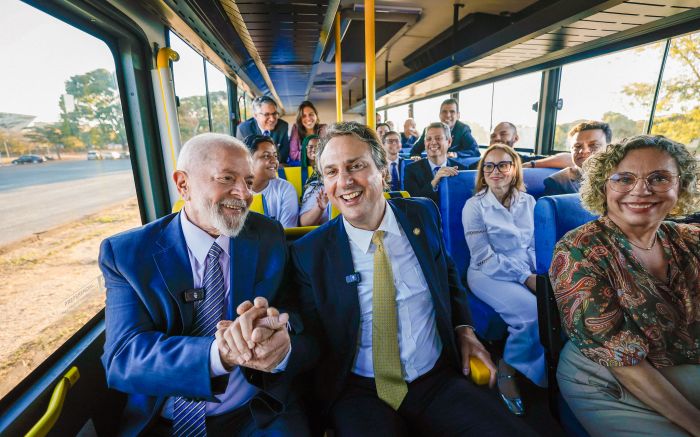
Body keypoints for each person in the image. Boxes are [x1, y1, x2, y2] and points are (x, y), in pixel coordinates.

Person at [289, 121, 537, 436]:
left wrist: (464, 330)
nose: (345, 181)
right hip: (359, 391)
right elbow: (309, 334)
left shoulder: (422, 215)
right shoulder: (309, 252)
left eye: (356, 166)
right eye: (332, 172)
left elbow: (447, 277)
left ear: (382, 169)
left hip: (435, 379)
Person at [99, 133, 311, 436]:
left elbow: (296, 313)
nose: (243, 193)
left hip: (255, 413)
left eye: (249, 182)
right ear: (183, 184)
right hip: (166, 421)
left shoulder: (267, 236)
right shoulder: (128, 255)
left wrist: (279, 333)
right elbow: (123, 359)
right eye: (227, 178)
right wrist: (219, 354)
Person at [550, 135, 700, 436]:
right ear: (603, 187)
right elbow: (622, 361)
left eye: (659, 178)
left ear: (680, 185)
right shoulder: (579, 250)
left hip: (680, 356)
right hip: (605, 375)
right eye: (624, 179)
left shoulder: (688, 239)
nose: (641, 190)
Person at [462, 143, 547, 416]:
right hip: (486, 273)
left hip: (524, 269)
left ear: (514, 169)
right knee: (532, 314)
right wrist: (525, 278)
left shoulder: (529, 202)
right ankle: (508, 369)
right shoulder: (474, 206)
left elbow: (534, 245)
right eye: (489, 165)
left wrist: (537, 273)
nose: (495, 171)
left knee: (557, 304)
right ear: (482, 172)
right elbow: (484, 257)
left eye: (502, 165)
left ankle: (551, 374)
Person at [404, 122, 467, 205]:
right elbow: (413, 204)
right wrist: (434, 182)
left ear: (449, 142)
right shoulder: (411, 170)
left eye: (438, 138)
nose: (433, 142)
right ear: (424, 143)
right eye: (429, 139)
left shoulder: (462, 170)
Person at [468, 121, 574, 170]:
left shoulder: (525, 161)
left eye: (503, 134)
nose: (497, 138)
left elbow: (570, 159)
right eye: (493, 136)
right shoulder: (476, 165)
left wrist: (530, 165)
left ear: (516, 138)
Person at [543, 120, 611, 195]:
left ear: (609, 148)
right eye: (577, 146)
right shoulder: (558, 182)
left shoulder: (621, 176)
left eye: (593, 145)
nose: (584, 151)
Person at [246, 135, 299, 228]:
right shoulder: (236, 191)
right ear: (248, 160)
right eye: (266, 156)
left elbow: (287, 233)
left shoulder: (285, 189)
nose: (275, 161)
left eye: (275, 155)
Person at [409, 98, 479, 158]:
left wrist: (455, 154)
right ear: (439, 115)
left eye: (452, 112)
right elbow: (414, 151)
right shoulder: (429, 130)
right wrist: (416, 158)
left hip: (454, 168)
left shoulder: (463, 129)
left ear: (458, 115)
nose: (448, 115)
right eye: (444, 112)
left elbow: (475, 151)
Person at [236, 96, 291, 164]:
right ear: (255, 116)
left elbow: (284, 153)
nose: (272, 119)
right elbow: (242, 157)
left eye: (274, 114)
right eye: (267, 114)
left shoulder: (283, 126)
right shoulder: (244, 129)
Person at [299, 135, 329, 227]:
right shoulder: (314, 183)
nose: (314, 149)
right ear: (305, 149)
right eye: (311, 147)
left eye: (318, 147)